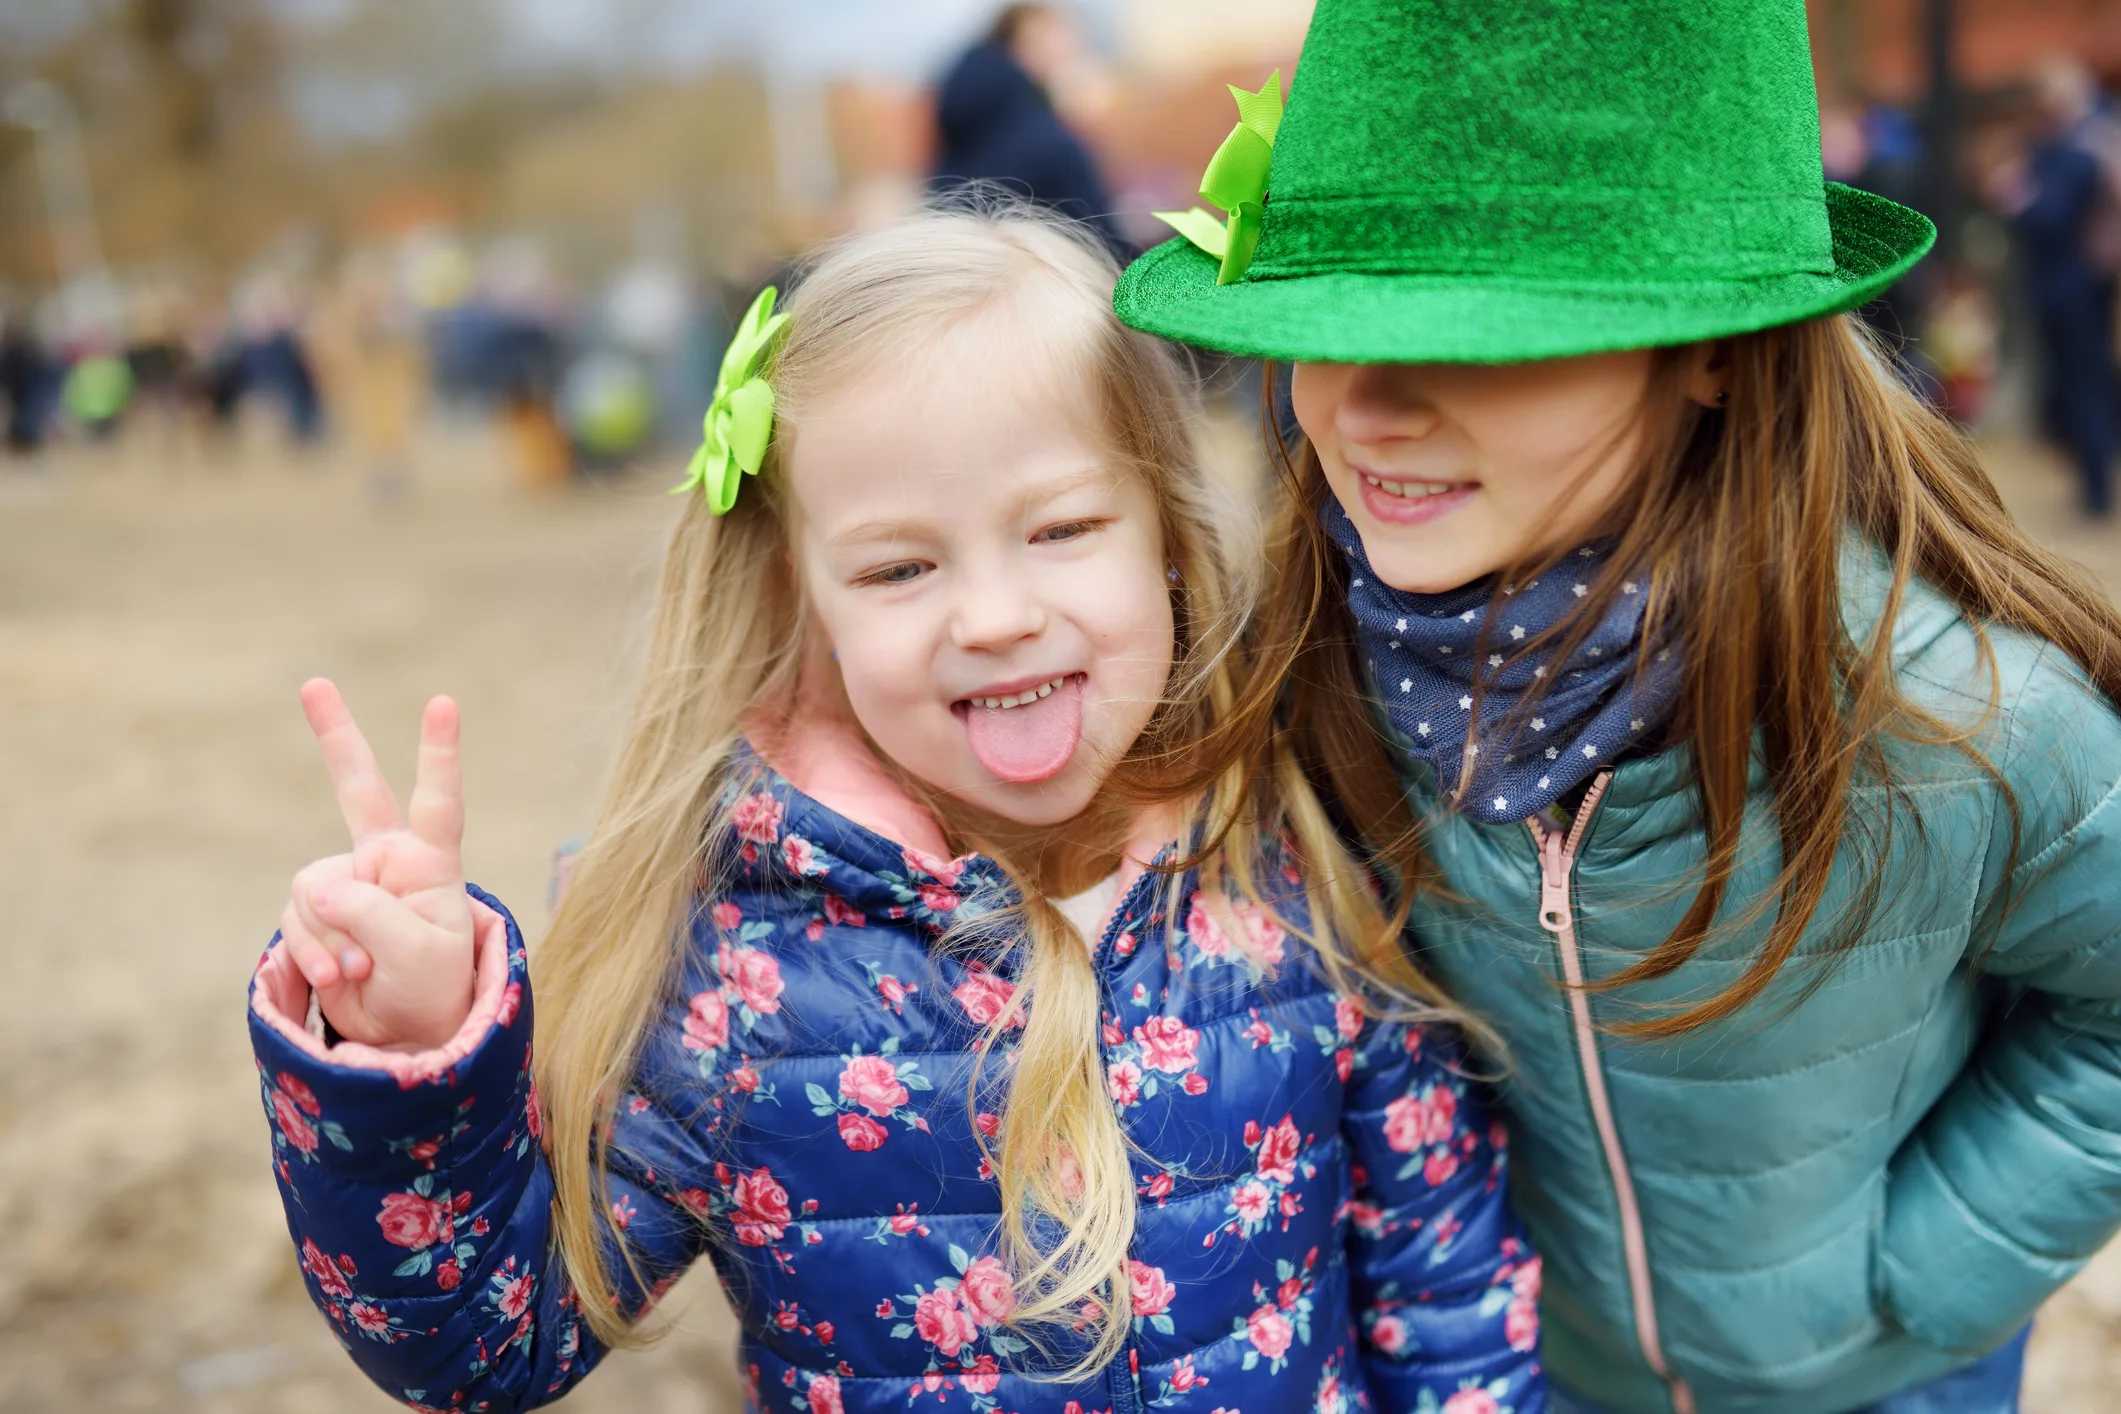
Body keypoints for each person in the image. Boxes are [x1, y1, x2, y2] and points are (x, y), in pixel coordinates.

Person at [245, 207, 1543, 1412]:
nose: (992, 613)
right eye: (900, 565)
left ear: (1164, 531)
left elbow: (1448, 1283)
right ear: (804, 601)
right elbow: (486, 1343)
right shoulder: (733, 964)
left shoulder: (1282, 851)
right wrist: (415, 1061)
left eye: (1062, 528)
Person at [1114, 2, 2121, 1411]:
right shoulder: (1313, 675)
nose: (1370, 407)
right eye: (1328, 322)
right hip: (1526, 1368)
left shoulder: (1952, 719)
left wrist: (1924, 1275)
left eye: (1485, 332)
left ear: (1713, 349)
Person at [1990, 58, 2120, 517]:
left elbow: (2051, 217)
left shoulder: (2078, 153)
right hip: (2078, 285)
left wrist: (2017, 197)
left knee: (2085, 385)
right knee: (2082, 383)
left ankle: (2096, 488)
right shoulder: (2071, 146)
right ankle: (2092, 480)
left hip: (2075, 287)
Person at [931, 4, 1126, 255]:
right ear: (1027, 42)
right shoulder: (1051, 143)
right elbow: (1106, 242)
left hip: (958, 266)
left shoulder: (966, 113)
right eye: (1060, 38)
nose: (1069, 51)